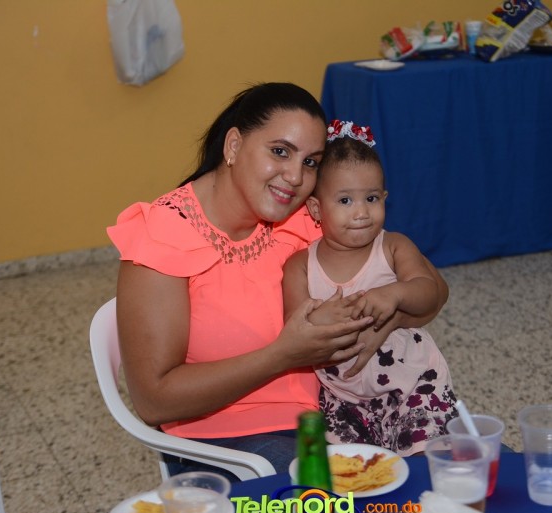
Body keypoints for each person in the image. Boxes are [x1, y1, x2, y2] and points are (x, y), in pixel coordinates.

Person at [107, 83, 448, 481]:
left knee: (471, 469)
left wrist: (384, 320)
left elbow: (434, 290)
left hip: (343, 415)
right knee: (340, 497)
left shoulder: (304, 215)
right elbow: (154, 400)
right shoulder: (164, 236)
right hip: (227, 440)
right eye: (280, 152)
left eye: (310, 162)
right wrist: (282, 355)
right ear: (234, 145)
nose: (295, 177)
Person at [282, 120, 457, 456]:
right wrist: (321, 319)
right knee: (359, 470)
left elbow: (430, 293)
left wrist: (396, 293)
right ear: (316, 208)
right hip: (341, 397)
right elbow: (294, 328)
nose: (362, 212)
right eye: (345, 200)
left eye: (372, 198)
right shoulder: (300, 265)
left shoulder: (393, 246)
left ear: (385, 198)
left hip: (413, 384)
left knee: (426, 460)